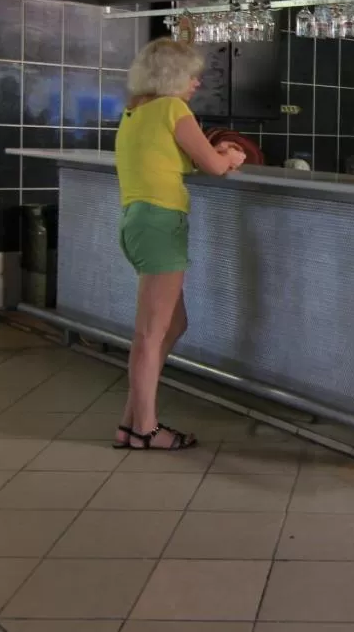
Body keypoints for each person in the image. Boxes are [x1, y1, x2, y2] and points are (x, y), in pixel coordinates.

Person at [113, 39, 246, 451]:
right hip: (161, 222)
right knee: (150, 333)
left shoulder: (135, 112)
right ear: (173, 77)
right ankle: (145, 430)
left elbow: (178, 158)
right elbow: (215, 166)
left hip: (138, 222)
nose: (197, 83)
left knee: (172, 325)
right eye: (191, 75)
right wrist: (232, 156)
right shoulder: (174, 109)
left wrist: (213, 152)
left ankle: (130, 423)